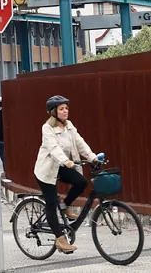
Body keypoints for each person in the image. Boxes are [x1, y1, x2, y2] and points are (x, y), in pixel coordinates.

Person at [34, 95, 99, 254]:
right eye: (61, 109)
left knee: (82, 182)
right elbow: (53, 147)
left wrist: (92, 157)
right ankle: (60, 239)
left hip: (61, 166)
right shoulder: (47, 128)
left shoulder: (69, 125)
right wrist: (66, 161)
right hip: (47, 169)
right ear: (53, 111)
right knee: (50, 202)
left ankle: (64, 205)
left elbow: (80, 142)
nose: (65, 111)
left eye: (66, 108)